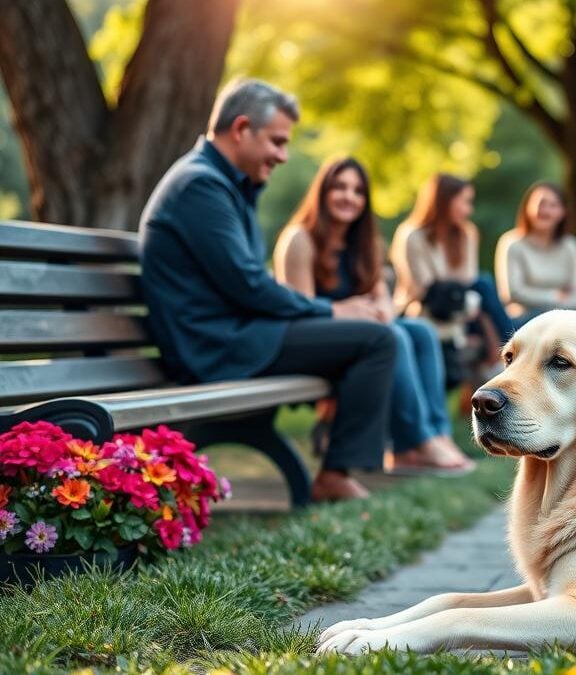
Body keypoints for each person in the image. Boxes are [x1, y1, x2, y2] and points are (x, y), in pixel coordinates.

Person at [139, 79, 397, 502]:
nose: (283, 155)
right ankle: (335, 473)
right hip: (216, 347)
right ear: (241, 129)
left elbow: (246, 284)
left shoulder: (224, 185)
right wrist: (332, 312)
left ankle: (346, 463)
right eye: (277, 142)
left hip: (236, 336)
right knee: (376, 340)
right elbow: (250, 285)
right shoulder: (201, 186)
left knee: (377, 336)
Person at [273, 157, 474, 474]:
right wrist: (358, 312)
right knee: (394, 335)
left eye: (357, 191)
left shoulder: (365, 244)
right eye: (339, 187)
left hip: (365, 335)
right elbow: (301, 313)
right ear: (322, 193)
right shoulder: (300, 239)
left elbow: (383, 301)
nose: (348, 197)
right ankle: (415, 441)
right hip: (320, 341)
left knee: (419, 331)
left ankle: (437, 433)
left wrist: (378, 309)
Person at [390, 174, 514, 346]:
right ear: (444, 201)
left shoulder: (467, 234)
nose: (468, 210)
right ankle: (510, 340)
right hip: (423, 306)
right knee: (483, 285)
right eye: (464, 202)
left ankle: (508, 343)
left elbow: (468, 278)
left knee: (482, 285)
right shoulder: (413, 236)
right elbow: (425, 287)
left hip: (460, 301)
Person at [494, 181, 576, 326]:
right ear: (527, 207)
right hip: (522, 321)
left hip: (564, 321)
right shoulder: (512, 243)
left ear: (563, 212)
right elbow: (513, 293)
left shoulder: (571, 246)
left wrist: (539, 298)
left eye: (553, 205)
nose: (545, 210)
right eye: (541, 203)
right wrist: (556, 295)